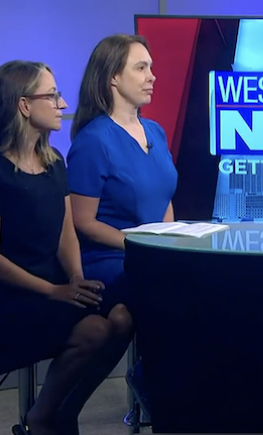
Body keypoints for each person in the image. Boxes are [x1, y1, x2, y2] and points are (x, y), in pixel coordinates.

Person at [0, 61, 133, 435]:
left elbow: (66, 234)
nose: (61, 103)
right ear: (24, 105)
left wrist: (76, 277)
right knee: (94, 330)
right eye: (52, 95)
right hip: (13, 296)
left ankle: (60, 412)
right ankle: (42, 419)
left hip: (55, 286)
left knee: (121, 318)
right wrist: (55, 290)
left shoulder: (54, 161)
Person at [67, 34, 178, 313]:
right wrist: (142, 246)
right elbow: (82, 221)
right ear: (113, 77)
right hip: (110, 257)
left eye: (150, 68)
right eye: (141, 68)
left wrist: (170, 241)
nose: (151, 77)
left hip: (152, 254)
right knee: (176, 286)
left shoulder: (156, 132)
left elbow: (165, 197)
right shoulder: (94, 140)